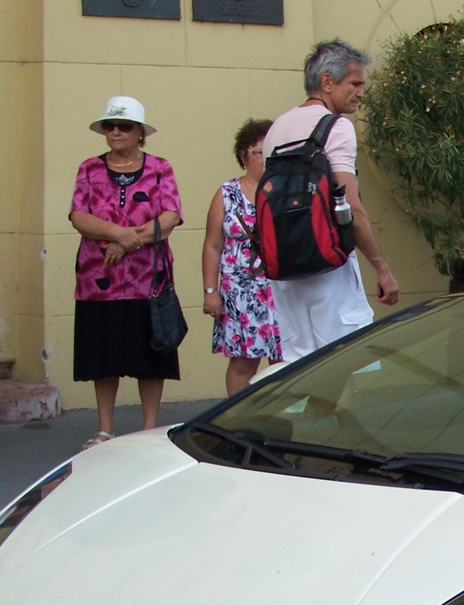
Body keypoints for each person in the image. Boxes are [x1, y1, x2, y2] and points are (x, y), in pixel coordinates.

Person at [264, 40, 399, 362]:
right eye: (355, 83)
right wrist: (382, 268)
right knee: (342, 363)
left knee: (297, 367)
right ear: (327, 82)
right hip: (329, 263)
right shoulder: (337, 127)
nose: (361, 93)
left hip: (286, 266)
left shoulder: (277, 128)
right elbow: (350, 207)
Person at [68, 96, 183, 451]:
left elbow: (171, 215)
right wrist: (120, 235)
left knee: (150, 356)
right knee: (104, 356)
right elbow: (78, 216)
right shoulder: (88, 168)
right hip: (98, 279)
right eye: (110, 126)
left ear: (140, 133)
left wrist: (127, 243)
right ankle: (105, 427)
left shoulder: (160, 168)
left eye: (124, 126)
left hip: (147, 278)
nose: (115, 132)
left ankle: (150, 426)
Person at [202, 118, 279, 395]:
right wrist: (211, 291)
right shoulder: (227, 194)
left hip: (281, 288)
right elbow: (212, 245)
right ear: (243, 156)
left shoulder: (285, 190)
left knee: (285, 359)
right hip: (239, 290)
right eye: (259, 152)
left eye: (271, 150)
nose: (265, 158)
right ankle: (237, 422)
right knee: (243, 362)